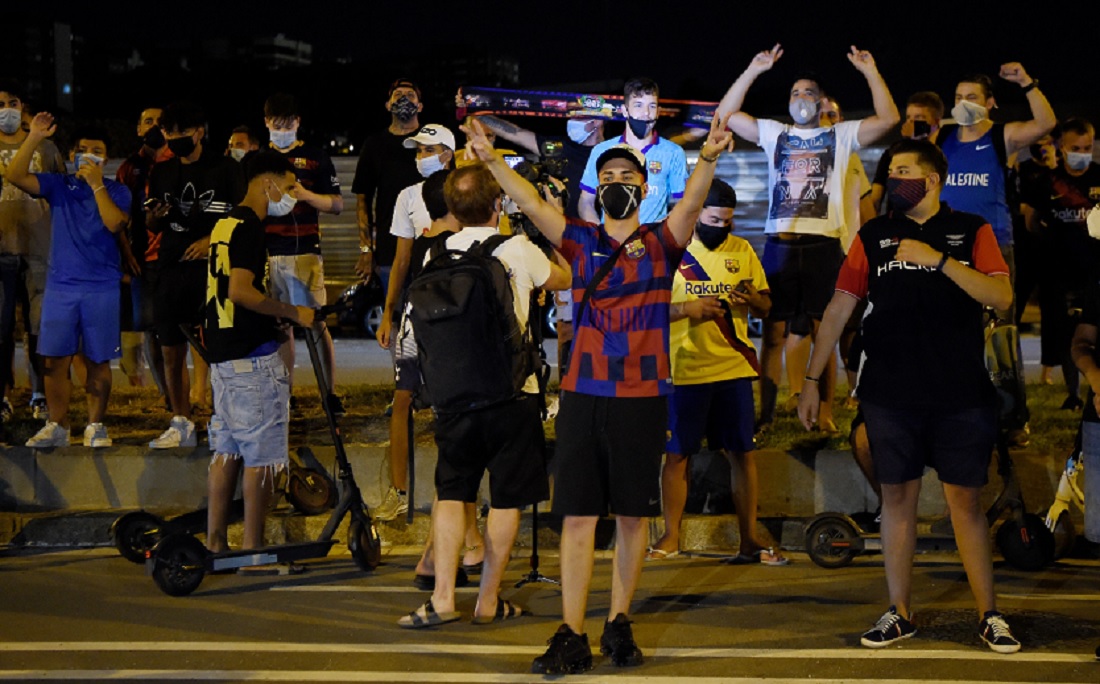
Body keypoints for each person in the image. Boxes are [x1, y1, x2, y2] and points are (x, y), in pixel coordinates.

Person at [465, 111, 733, 673]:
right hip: (584, 392)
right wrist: (491, 160)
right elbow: (532, 204)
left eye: (626, 177)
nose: (616, 183)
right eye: (607, 176)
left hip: (643, 394)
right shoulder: (580, 240)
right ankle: (571, 632)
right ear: (596, 186)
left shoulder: (662, 243)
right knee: (579, 516)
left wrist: (707, 157)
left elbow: (690, 204)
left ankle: (618, 622)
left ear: (644, 189)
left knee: (634, 517)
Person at [798, 139, 1020, 654]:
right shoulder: (874, 235)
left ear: (933, 179)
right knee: (897, 500)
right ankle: (899, 612)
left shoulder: (971, 230)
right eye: (892, 171)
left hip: (960, 390)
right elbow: (838, 308)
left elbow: (1002, 296)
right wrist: (811, 382)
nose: (894, 179)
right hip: (890, 392)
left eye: (903, 171)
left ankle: (989, 614)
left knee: (965, 503)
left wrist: (938, 260)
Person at [396, 163, 571, 629]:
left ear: (452, 209)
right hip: (512, 395)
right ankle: (488, 601)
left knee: (453, 493)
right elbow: (565, 279)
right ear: (499, 204)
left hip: (453, 398)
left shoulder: (434, 255)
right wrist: (553, 222)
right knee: (507, 499)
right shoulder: (516, 248)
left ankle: (442, 598)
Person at [716, 44, 900, 434]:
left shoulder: (840, 135)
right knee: (773, 334)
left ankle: (824, 411)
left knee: (824, 332)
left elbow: (889, 118)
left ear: (820, 103)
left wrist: (870, 71)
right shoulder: (776, 133)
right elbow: (726, 115)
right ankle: (766, 416)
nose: (801, 97)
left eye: (809, 93)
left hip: (823, 246)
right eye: (795, 92)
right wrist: (753, 70)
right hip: (780, 245)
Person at [645, 178, 786, 566]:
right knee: (677, 456)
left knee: (742, 454)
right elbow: (644, 311)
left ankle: (749, 539)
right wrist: (686, 310)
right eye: (713, 220)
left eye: (727, 221)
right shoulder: (667, 251)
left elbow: (765, 307)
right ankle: (670, 537)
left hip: (732, 369)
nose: (721, 227)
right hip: (683, 372)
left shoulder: (741, 250)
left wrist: (752, 298)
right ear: (695, 214)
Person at [203, 150, 314, 561]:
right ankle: (254, 551)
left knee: (227, 450)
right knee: (262, 457)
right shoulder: (250, 227)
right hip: (252, 359)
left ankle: (215, 543)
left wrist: (271, 318)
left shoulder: (225, 223)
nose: (290, 196)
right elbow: (240, 291)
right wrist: (292, 312)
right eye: (287, 187)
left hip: (223, 354)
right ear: (267, 183)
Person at [6, 113, 130, 448]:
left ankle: (95, 425)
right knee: (54, 360)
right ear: (72, 155)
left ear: (106, 158)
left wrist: (97, 185)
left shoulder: (117, 191)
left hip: (101, 287)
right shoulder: (59, 185)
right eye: (83, 150)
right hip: (61, 287)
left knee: (98, 360)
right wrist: (34, 137)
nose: (89, 156)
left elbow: (114, 223)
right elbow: (15, 175)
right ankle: (58, 425)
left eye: (97, 151)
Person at [146, 101, 245, 448]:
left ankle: (224, 419)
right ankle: (181, 422)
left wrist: (210, 241)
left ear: (199, 132)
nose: (175, 139)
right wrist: (155, 216)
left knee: (219, 349)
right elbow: (151, 224)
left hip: (214, 270)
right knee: (170, 350)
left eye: (182, 132)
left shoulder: (226, 168)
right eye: (169, 133)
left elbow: (242, 216)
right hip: (171, 268)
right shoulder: (162, 171)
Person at [373, 123, 457, 522]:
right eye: (418, 150)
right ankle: (398, 492)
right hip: (415, 314)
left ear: (448, 153)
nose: (421, 156)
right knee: (402, 398)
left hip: (455, 316)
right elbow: (401, 260)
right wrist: (388, 312)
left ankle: (456, 495)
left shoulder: (467, 191)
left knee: (453, 404)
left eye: (428, 149)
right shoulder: (407, 196)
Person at [261, 93, 344, 413]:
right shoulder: (259, 159)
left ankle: (330, 394)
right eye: (276, 124)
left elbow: (337, 204)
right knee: (281, 325)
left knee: (315, 322)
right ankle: (285, 394)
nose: (282, 130)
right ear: (266, 122)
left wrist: (306, 195)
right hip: (269, 253)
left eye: (287, 124)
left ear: (298, 122)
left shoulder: (315, 157)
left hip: (306, 252)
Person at [0, 79, 64, 423]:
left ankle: (40, 394)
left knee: (39, 328)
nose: (6, 110)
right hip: (1, 251)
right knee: (1, 328)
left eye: (11, 103)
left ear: (21, 106)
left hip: (40, 250)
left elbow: (63, 196)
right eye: (0, 105)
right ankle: (4, 397)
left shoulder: (46, 148)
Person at [1025, 118, 1099, 409]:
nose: (1082, 153)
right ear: (1062, 147)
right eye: (1075, 148)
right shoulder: (1046, 182)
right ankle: (1074, 393)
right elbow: (1031, 222)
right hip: (1060, 271)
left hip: (1095, 269)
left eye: (1087, 148)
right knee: (1068, 332)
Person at [578, 78, 687, 225]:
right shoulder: (601, 151)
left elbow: (682, 205)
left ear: (658, 112)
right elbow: (586, 201)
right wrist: (600, 233)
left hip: (653, 239)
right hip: (610, 238)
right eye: (638, 105)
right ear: (625, 110)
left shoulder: (673, 153)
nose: (646, 113)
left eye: (652, 106)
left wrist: (657, 234)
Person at [115, 106, 170, 395]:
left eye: (160, 122)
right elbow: (119, 219)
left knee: (183, 327)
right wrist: (126, 255)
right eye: (148, 121)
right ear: (139, 129)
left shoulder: (180, 161)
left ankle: (195, 392)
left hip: (176, 259)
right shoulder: (129, 168)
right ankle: (166, 394)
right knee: (150, 329)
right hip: (143, 260)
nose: (154, 126)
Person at [352, 79, 424, 290]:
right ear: (388, 105)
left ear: (420, 106)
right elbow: (362, 200)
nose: (404, 99)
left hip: (427, 246)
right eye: (398, 95)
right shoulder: (374, 145)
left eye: (410, 95)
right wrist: (366, 250)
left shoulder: (430, 143)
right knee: (393, 307)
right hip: (388, 250)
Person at [869, 91, 945, 212]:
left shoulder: (945, 153)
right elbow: (875, 198)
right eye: (909, 117)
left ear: (935, 122)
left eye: (918, 118)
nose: (911, 123)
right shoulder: (893, 154)